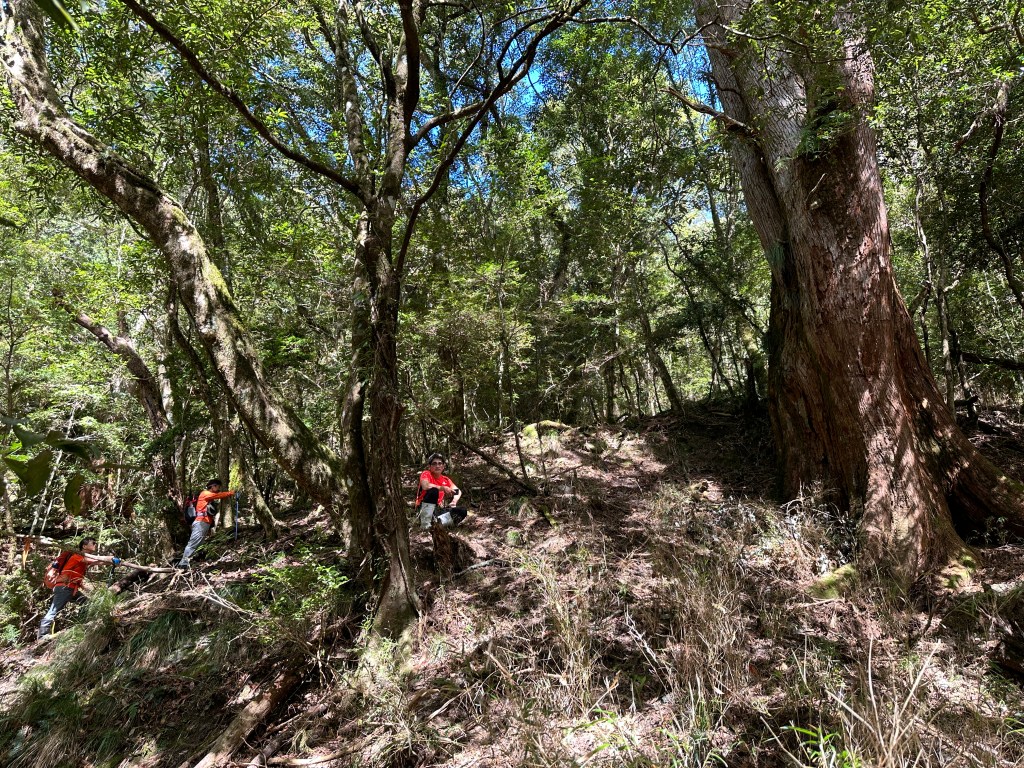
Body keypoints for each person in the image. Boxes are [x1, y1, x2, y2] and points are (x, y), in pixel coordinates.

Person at [38, 537, 121, 638]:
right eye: (93, 543)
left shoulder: (82, 557)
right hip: (64, 588)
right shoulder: (78, 556)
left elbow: (98, 562)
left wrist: (113, 562)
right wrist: (111, 558)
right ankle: (42, 635)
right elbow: (97, 559)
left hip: (70, 588)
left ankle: (84, 624)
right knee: (54, 610)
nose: (95, 544)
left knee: (87, 603)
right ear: (84, 546)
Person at [177, 478, 235, 568]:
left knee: (200, 543)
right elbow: (219, 495)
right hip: (200, 522)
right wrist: (230, 493)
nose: (219, 489)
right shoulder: (205, 493)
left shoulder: (209, 496)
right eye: (218, 486)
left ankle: (194, 561)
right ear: (213, 486)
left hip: (204, 523)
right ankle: (183, 563)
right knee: (193, 542)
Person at [415, 454, 466, 530]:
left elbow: (457, 491)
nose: (437, 466)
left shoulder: (445, 479)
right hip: (423, 509)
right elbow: (425, 486)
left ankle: (437, 524)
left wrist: (454, 501)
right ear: (429, 466)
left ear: (443, 466)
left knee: (462, 511)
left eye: (440, 463)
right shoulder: (426, 473)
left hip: (438, 510)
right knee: (433, 491)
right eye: (434, 464)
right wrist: (442, 488)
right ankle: (426, 524)